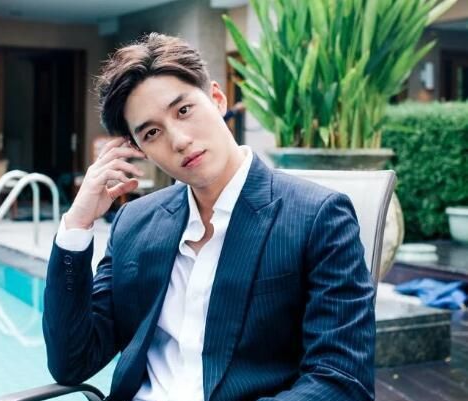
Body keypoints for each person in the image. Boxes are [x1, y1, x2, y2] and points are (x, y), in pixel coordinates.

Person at [43, 33, 375, 401]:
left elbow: (341, 381)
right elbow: (72, 363)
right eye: (152, 133)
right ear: (140, 150)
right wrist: (77, 226)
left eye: (184, 110)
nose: (179, 140)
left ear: (217, 99)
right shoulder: (135, 223)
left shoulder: (317, 216)